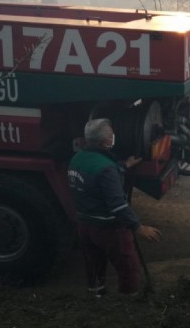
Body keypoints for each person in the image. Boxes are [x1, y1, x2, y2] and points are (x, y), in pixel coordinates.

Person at [68, 118, 162, 297]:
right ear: (105, 141)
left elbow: (95, 180)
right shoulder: (106, 169)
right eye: (111, 134)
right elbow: (118, 205)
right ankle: (128, 301)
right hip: (108, 229)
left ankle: (96, 297)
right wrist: (139, 227)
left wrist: (123, 166)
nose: (113, 137)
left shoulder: (77, 159)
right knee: (129, 267)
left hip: (85, 225)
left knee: (94, 266)